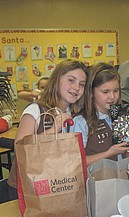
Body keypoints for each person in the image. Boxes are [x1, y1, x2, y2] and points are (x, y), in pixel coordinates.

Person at [8, 59, 88, 192]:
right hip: (27, 187)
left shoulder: (71, 113)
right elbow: (19, 148)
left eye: (82, 84)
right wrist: (52, 131)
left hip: (55, 183)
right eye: (71, 80)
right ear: (57, 80)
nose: (76, 87)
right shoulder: (35, 110)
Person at [70, 62, 129, 166]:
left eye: (116, 91)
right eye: (105, 92)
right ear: (91, 92)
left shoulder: (121, 117)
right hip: (95, 180)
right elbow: (76, 162)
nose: (112, 97)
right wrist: (109, 153)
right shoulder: (81, 121)